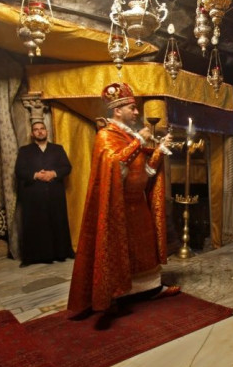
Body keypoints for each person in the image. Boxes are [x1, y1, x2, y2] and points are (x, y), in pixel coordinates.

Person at [67, 82, 178, 315]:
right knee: (121, 250)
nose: (137, 112)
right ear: (117, 110)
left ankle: (149, 289)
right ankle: (117, 292)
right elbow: (115, 165)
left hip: (139, 203)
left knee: (144, 250)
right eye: (132, 108)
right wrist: (139, 140)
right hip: (118, 206)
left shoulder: (127, 136)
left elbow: (145, 172)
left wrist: (158, 151)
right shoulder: (106, 135)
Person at [14, 121, 74, 267]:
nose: (40, 131)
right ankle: (35, 257)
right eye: (36, 130)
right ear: (32, 134)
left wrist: (53, 173)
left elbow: (67, 167)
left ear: (46, 131)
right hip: (33, 196)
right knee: (36, 225)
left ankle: (61, 253)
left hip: (55, 194)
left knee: (58, 223)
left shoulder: (57, 149)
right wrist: (36, 175)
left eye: (42, 129)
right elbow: (19, 171)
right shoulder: (24, 150)